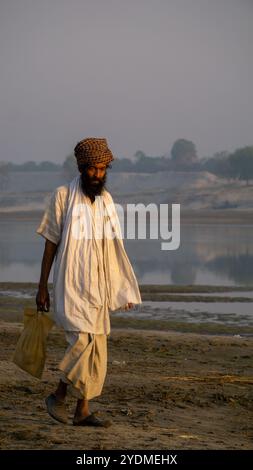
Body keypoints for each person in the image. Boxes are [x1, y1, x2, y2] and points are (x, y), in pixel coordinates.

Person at [35, 137, 141, 427]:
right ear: (81, 168)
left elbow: (114, 247)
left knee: (97, 348)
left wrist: (122, 289)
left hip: (98, 287)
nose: (98, 175)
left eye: (103, 169)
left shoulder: (106, 201)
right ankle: (57, 394)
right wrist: (42, 285)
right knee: (82, 342)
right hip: (70, 284)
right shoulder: (61, 196)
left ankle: (82, 409)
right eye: (93, 170)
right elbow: (50, 244)